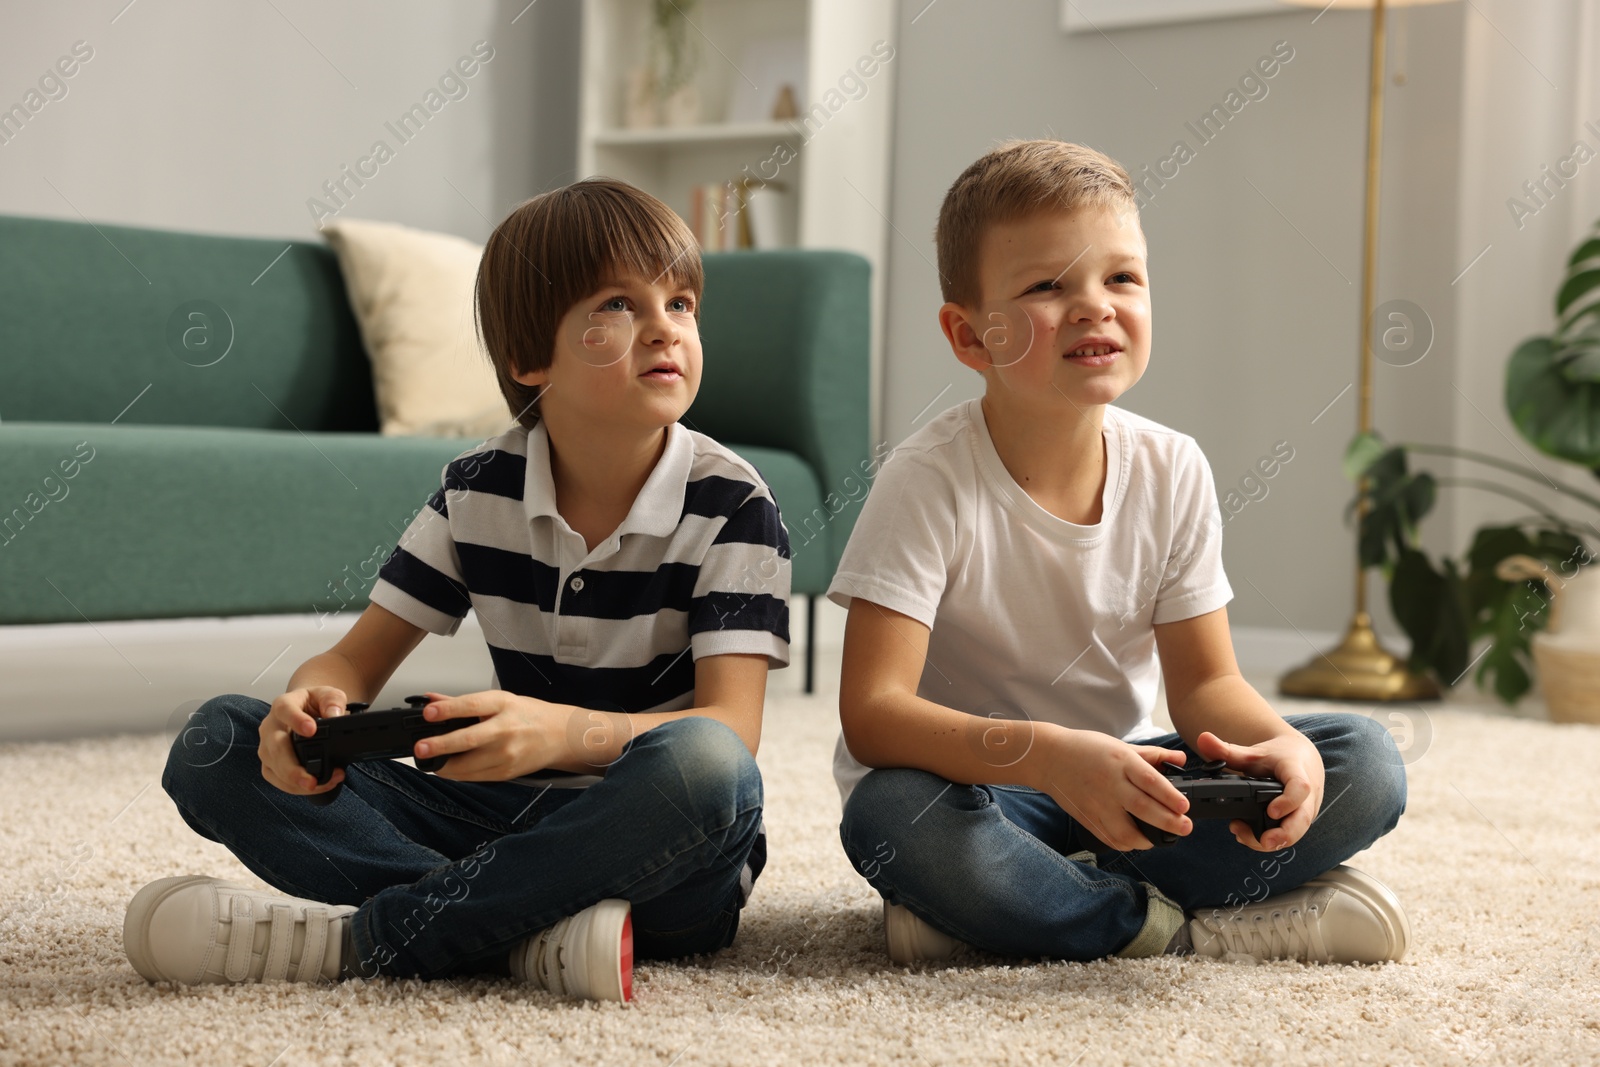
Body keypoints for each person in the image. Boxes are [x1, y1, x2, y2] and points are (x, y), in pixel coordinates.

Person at [125, 177, 791, 1002]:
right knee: (219, 738)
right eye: (619, 304)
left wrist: (559, 735)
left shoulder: (735, 501)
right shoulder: (478, 488)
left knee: (710, 769)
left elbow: (733, 726)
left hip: (658, 851)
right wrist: (307, 708)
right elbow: (351, 662)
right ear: (529, 360)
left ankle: (374, 936)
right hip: (489, 822)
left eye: (682, 302)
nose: (665, 326)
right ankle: (521, 932)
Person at [832, 140, 1409, 966]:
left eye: (1122, 278)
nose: (1094, 306)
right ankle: (1171, 923)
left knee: (1366, 761)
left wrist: (1283, 745)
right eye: (1046, 286)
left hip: (1140, 782)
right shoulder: (926, 479)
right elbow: (875, 712)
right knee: (889, 817)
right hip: (988, 795)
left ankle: (1025, 906)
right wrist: (1052, 756)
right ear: (969, 335)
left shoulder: (1173, 466)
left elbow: (1208, 686)